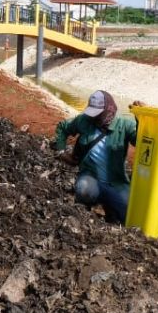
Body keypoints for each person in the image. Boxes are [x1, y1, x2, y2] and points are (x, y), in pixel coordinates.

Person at [53, 91, 138, 223]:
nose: (94, 118)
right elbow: (63, 127)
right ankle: (90, 210)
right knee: (84, 189)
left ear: (108, 109)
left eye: (98, 114)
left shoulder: (124, 125)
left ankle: (110, 209)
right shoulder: (84, 121)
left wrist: (142, 119)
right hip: (90, 176)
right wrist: (60, 151)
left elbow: (141, 140)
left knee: (128, 214)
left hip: (116, 181)